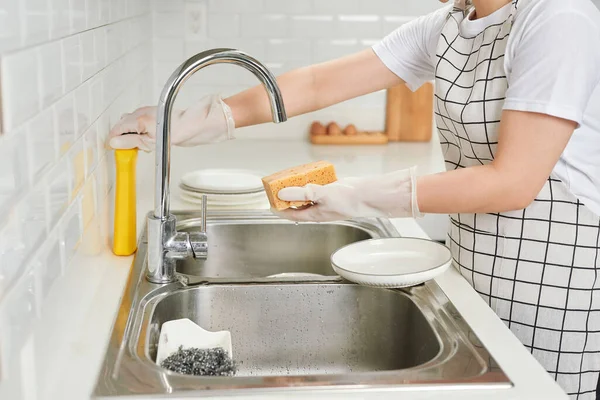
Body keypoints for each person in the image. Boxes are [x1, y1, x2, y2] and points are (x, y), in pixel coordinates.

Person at [109, 0, 600, 397]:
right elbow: (319, 83)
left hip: (554, 278)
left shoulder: (559, 16)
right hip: (475, 260)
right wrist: (194, 119)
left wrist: (362, 197)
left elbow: (513, 183)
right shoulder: (453, 22)